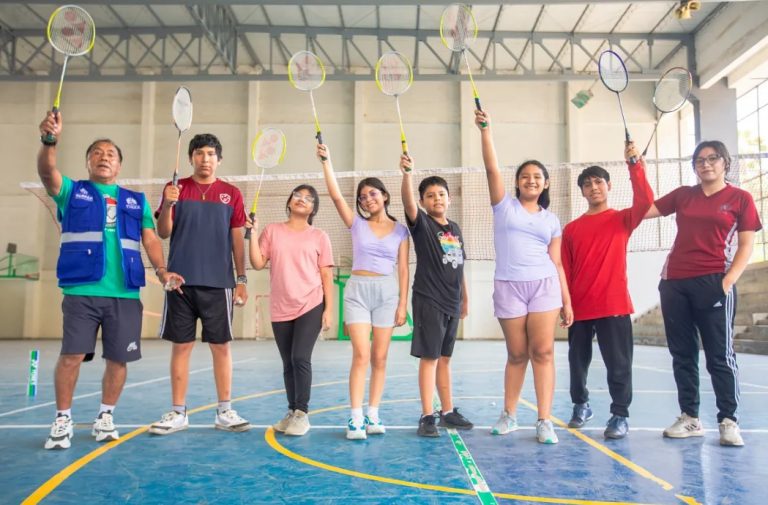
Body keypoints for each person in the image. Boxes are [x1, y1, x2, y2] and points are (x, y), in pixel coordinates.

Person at [37, 111, 183, 450]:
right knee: (72, 356)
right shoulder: (72, 191)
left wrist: (162, 271)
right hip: (81, 291)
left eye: (111, 155)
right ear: (88, 162)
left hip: (125, 294)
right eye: (97, 154)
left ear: (119, 166)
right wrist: (49, 141)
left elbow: (150, 239)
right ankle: (62, 419)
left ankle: (105, 416)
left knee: (118, 358)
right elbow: (47, 172)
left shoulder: (136, 200)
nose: (104, 158)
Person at [644, 140, 761, 447]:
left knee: (720, 356)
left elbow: (746, 246)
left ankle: (728, 420)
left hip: (713, 282)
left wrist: (726, 283)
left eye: (712, 158)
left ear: (725, 163)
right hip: (675, 283)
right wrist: (636, 169)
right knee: (682, 354)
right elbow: (644, 210)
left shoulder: (740, 198)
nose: (705, 164)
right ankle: (690, 418)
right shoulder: (683, 195)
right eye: (699, 160)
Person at [475, 109, 573, 444]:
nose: (531, 180)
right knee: (517, 354)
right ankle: (509, 415)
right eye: (525, 176)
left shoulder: (552, 220)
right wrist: (486, 130)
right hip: (508, 287)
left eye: (538, 176)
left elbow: (557, 263)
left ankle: (544, 420)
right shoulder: (504, 207)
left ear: (546, 183)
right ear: (517, 181)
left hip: (544, 286)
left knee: (543, 352)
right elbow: (490, 167)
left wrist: (567, 301)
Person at [149, 133, 250, 435]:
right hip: (180, 283)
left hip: (219, 283)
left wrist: (241, 279)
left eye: (211, 154)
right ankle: (178, 412)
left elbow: (237, 240)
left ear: (219, 159)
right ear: (190, 158)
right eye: (199, 154)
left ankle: (224, 411)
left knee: (221, 347)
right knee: (181, 347)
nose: (205, 159)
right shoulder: (176, 191)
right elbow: (163, 232)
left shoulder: (231, 194)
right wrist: (167, 204)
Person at [560, 142, 653, 440]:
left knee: (619, 364)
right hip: (580, 307)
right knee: (577, 362)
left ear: (608, 186)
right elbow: (564, 269)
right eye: (587, 184)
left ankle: (619, 415)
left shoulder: (622, 219)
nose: (593, 187)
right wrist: (565, 304)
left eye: (598, 182)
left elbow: (645, 199)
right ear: (582, 192)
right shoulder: (571, 229)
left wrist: (635, 166)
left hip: (614, 305)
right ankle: (581, 404)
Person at [317, 144, 409, 440]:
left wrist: (402, 304)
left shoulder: (401, 230)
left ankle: (373, 413)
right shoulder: (356, 224)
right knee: (361, 354)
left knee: (380, 358)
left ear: (384, 196)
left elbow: (404, 269)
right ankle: (355, 417)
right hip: (357, 290)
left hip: (387, 292)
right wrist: (327, 162)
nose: (367, 199)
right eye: (362, 196)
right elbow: (334, 195)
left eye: (372, 193)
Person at [249, 184, 334, 436]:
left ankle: (302, 414)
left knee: (300, 358)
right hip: (280, 305)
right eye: (297, 195)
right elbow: (257, 263)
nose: (301, 200)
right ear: (289, 201)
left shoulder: (319, 236)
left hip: (311, 303)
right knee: (287, 363)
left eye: (308, 198)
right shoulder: (272, 231)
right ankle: (291, 411)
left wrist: (329, 309)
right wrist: (252, 233)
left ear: (313, 208)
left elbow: (326, 274)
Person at [400, 154, 473, 438]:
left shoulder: (454, 229)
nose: (437, 199)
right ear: (423, 202)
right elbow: (407, 204)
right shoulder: (422, 225)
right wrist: (407, 174)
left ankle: (448, 411)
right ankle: (427, 415)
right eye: (430, 196)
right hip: (429, 299)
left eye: (441, 194)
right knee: (429, 358)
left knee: (445, 358)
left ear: (449, 198)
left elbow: (459, 265)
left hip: (452, 302)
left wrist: (465, 298)